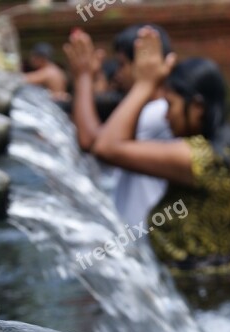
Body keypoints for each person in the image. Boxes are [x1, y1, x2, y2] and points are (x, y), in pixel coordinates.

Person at [92, 27, 230, 276]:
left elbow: (105, 148)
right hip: (210, 287)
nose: (166, 115)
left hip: (200, 292)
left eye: (170, 105)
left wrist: (144, 84)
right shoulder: (222, 144)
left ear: (198, 107)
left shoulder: (196, 158)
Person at [64, 25, 172, 227]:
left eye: (122, 65)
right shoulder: (144, 110)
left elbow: (92, 141)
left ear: (142, 65)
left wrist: (83, 76)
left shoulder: (158, 113)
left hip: (149, 240)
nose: (117, 74)